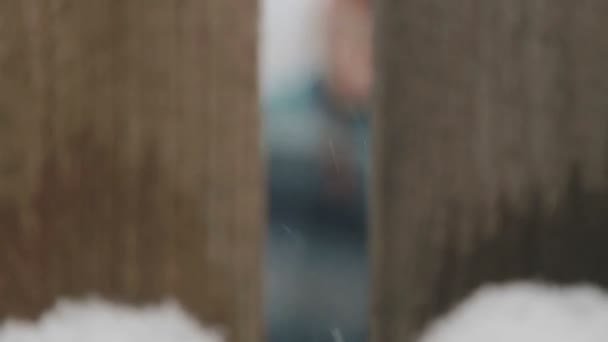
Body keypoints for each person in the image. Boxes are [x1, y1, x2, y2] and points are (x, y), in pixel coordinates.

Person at [263, 0, 372, 341]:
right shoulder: (276, 118)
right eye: (342, 29)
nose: (352, 43)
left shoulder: (405, 142)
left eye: (365, 31)